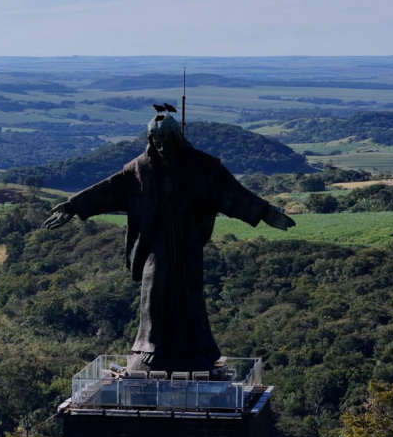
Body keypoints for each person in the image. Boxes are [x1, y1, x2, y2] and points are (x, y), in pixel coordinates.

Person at [44, 114, 295, 373]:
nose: (162, 146)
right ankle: (150, 346)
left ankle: (200, 348)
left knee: (190, 294)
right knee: (154, 288)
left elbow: (232, 192)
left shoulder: (203, 166)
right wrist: (74, 206)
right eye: (156, 140)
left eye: (166, 139)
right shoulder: (139, 169)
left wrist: (266, 212)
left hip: (187, 240)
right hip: (157, 240)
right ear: (150, 140)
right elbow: (109, 189)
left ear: (176, 138)